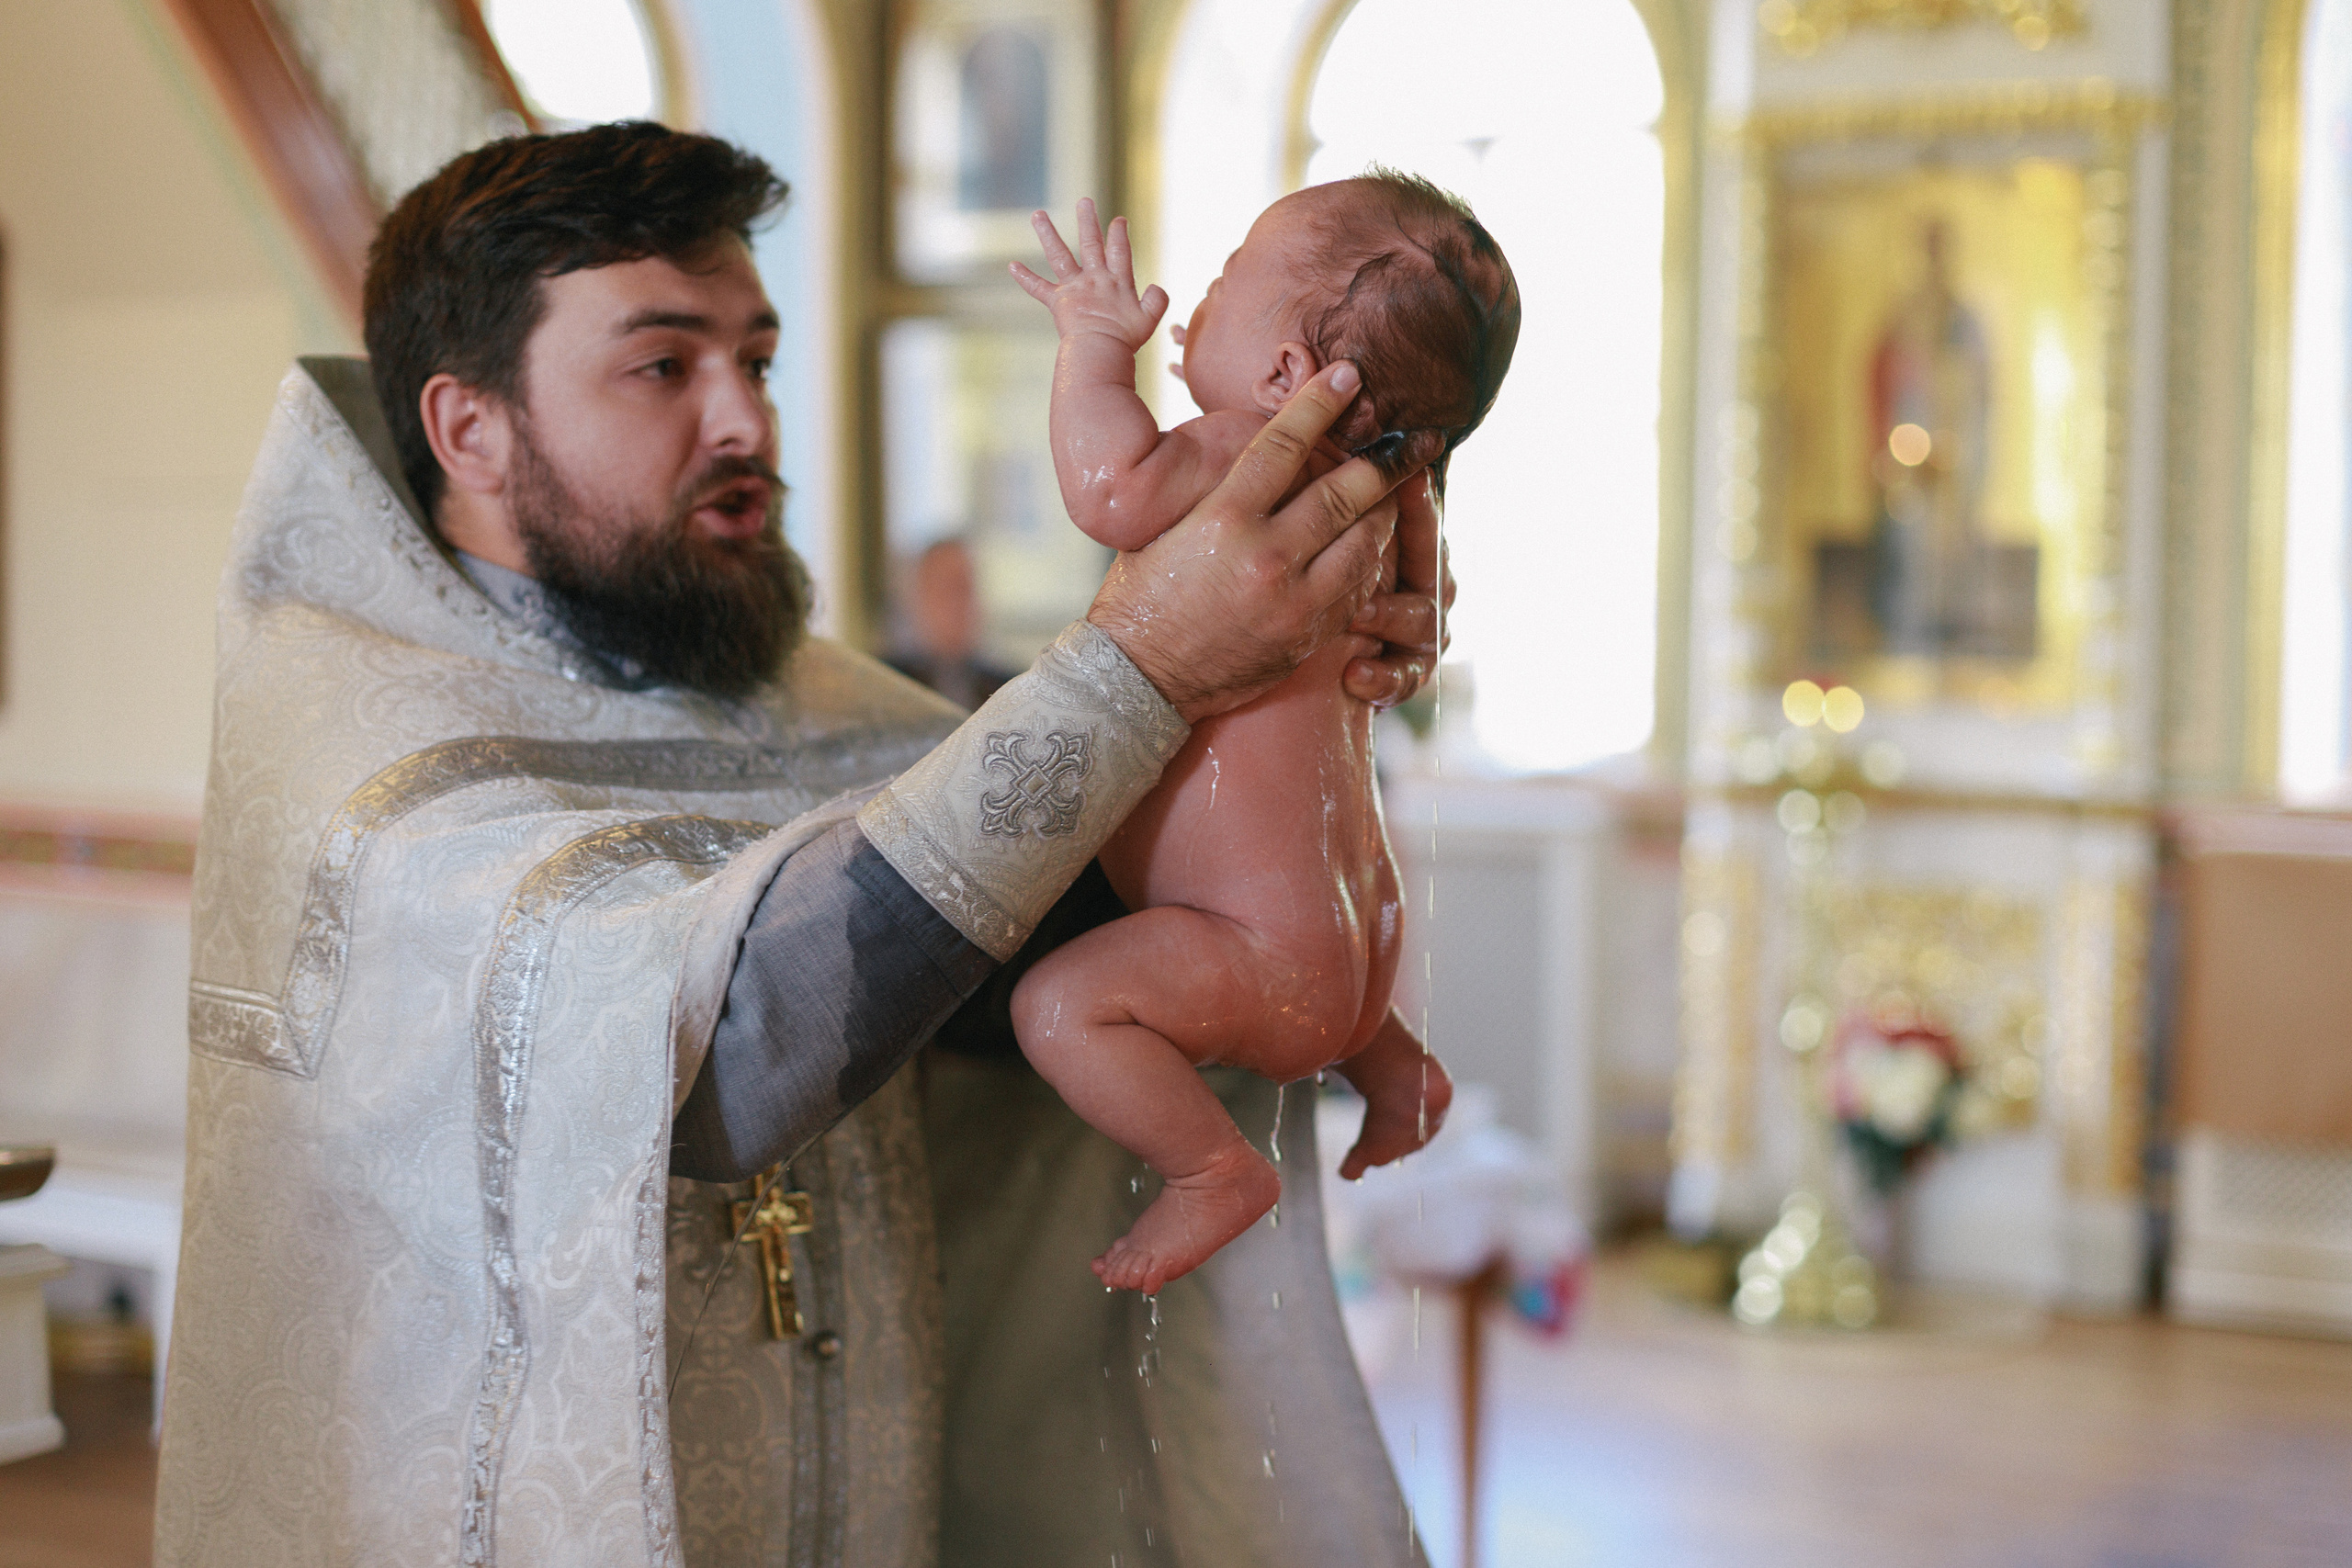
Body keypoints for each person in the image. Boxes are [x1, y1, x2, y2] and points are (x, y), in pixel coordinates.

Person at [153, 123, 1451, 1566]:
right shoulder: (372, 761)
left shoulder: (818, 698)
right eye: (664, 366)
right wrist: (1144, 665)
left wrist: (1298, 652)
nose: (745, 424)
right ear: (471, 427)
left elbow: (992, 981)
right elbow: (727, 1060)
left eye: (755, 362)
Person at [1006, 177, 1515, 1293]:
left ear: (1288, 377)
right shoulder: (1388, 502)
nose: (1200, 295)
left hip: (1255, 947)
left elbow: (1108, 493)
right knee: (1315, 996)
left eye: (1230, 275)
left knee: (1058, 1006)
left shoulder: (1239, 448)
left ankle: (1209, 1172)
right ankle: (1395, 1072)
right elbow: (1425, 559)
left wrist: (1094, 348)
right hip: (1356, 930)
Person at [882, 536, 1017, 710]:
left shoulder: (1010, 690)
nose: (957, 604)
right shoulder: (886, 684)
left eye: (964, 588)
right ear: (916, 598)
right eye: (945, 588)